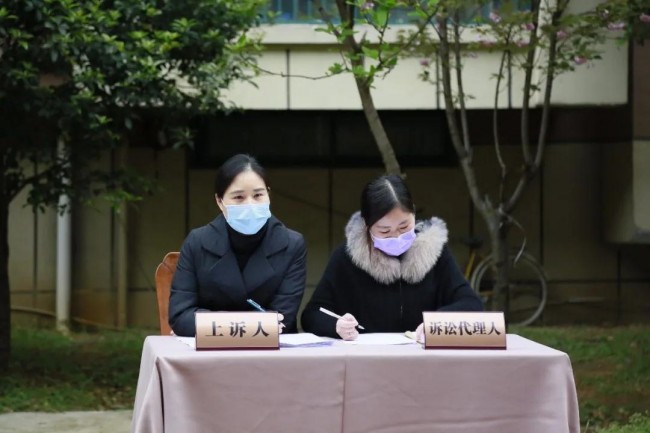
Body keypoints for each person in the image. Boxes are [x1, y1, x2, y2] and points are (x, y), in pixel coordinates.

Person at [301, 174, 482, 341]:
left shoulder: (434, 252)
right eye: (384, 231)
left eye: (404, 227)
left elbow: (471, 303)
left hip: (423, 357)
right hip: (367, 359)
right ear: (367, 226)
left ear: (414, 214)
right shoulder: (347, 257)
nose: (396, 236)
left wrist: (436, 324)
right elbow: (313, 314)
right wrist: (336, 326)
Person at [168, 154, 307, 336]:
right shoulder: (197, 242)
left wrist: (209, 323)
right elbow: (180, 315)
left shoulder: (292, 244)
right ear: (220, 201)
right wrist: (250, 324)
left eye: (258, 195)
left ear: (268, 194)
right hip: (209, 350)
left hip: (271, 350)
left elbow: (282, 319)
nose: (250, 204)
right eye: (239, 197)